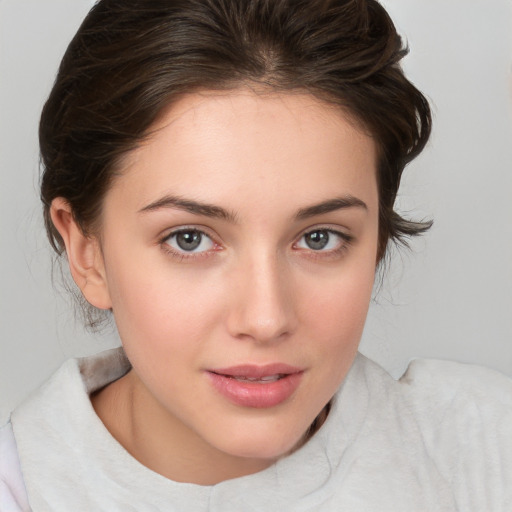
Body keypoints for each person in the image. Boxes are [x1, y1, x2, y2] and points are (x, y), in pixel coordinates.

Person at [1, 0, 511, 510]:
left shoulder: (487, 452)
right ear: (86, 252)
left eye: (319, 238)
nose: (266, 319)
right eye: (189, 239)